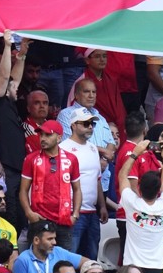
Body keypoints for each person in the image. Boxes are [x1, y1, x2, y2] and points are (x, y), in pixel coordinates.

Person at [20, 120, 81, 249]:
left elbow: (77, 189)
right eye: (41, 135)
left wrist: (75, 215)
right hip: (39, 220)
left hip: (64, 221)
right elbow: (23, 190)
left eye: (48, 135)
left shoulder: (71, 159)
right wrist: (29, 213)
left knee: (63, 260)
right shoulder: (31, 159)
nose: (42, 138)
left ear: (59, 138)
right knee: (38, 259)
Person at [58, 108, 107, 258]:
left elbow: (97, 179)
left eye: (92, 123)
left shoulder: (93, 148)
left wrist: (102, 206)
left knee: (91, 259)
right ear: (73, 125)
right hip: (72, 213)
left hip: (92, 213)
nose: (90, 127)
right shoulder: (63, 149)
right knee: (70, 257)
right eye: (86, 123)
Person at [117, 139, 163, 271]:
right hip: (157, 267)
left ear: (139, 188)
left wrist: (135, 153)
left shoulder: (131, 203)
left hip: (135, 267)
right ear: (158, 191)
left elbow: (122, 176)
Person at [11, 220, 85, 273]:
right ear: (36, 240)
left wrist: (90, 268)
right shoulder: (23, 260)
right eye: (50, 239)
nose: (54, 242)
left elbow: (85, 262)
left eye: (54, 238)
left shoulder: (58, 251)